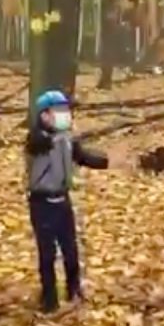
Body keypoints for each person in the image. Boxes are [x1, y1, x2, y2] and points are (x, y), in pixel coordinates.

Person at [26, 89, 109, 312]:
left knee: (71, 249)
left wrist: (106, 162)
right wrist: (51, 132)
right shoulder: (38, 139)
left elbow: (83, 157)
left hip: (63, 201)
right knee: (47, 254)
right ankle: (49, 299)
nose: (65, 115)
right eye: (59, 111)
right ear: (44, 115)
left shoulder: (67, 139)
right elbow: (37, 142)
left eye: (66, 111)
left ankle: (74, 290)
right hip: (42, 203)